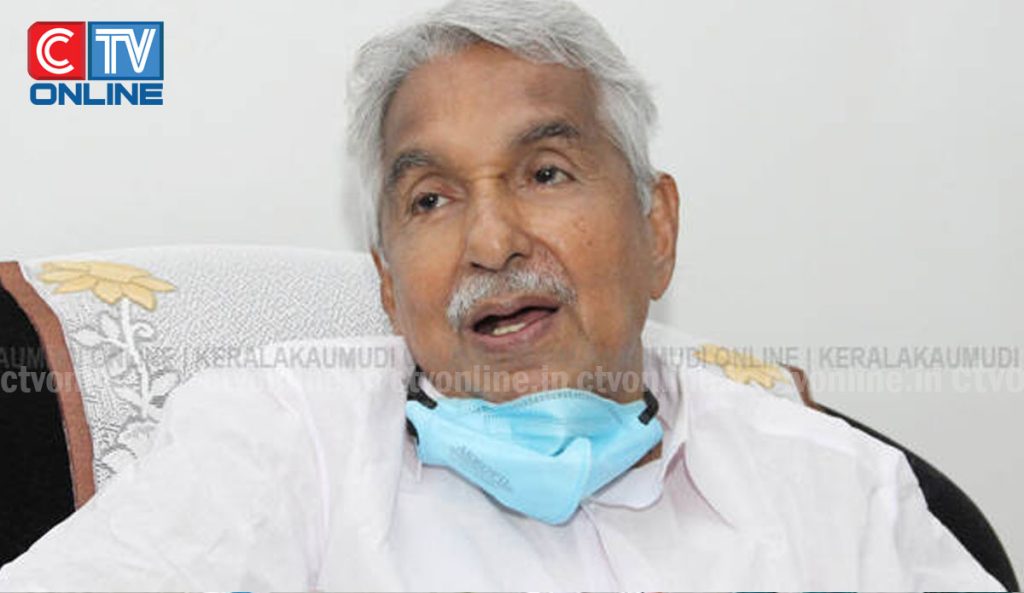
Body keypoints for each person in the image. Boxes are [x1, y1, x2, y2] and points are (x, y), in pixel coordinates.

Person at [0, 0, 1004, 590]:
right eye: (431, 199)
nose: (490, 241)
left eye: (546, 173)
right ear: (388, 286)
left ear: (656, 229)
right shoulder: (278, 440)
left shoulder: (838, 490)